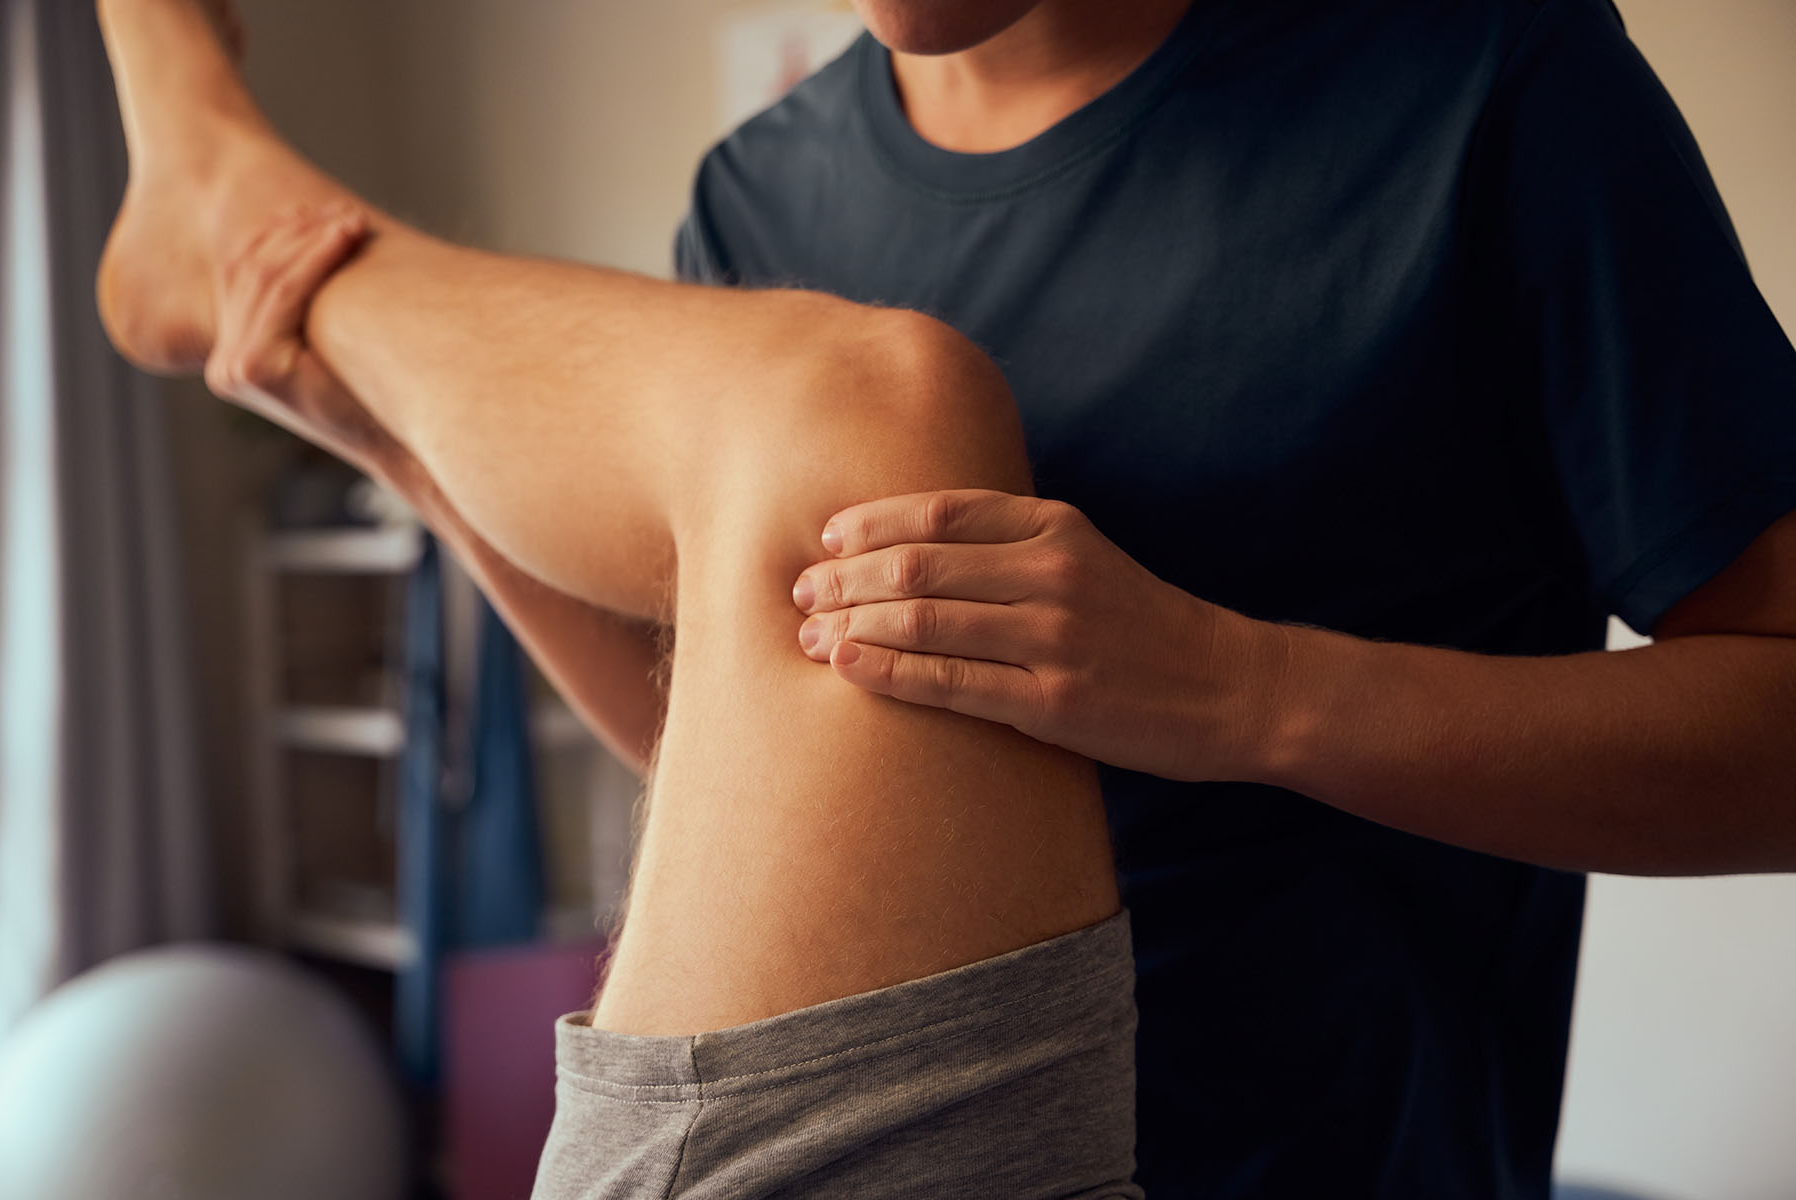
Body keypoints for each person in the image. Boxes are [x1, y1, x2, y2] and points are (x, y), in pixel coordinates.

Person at [93, 0, 1796, 1196]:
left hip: (1292, 1158)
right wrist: (394, 448)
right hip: (861, 1068)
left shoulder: (1491, 79)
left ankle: (226, 184)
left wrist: (1240, 690)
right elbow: (703, 730)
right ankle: (245, 220)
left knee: (859, 396)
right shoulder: (758, 196)